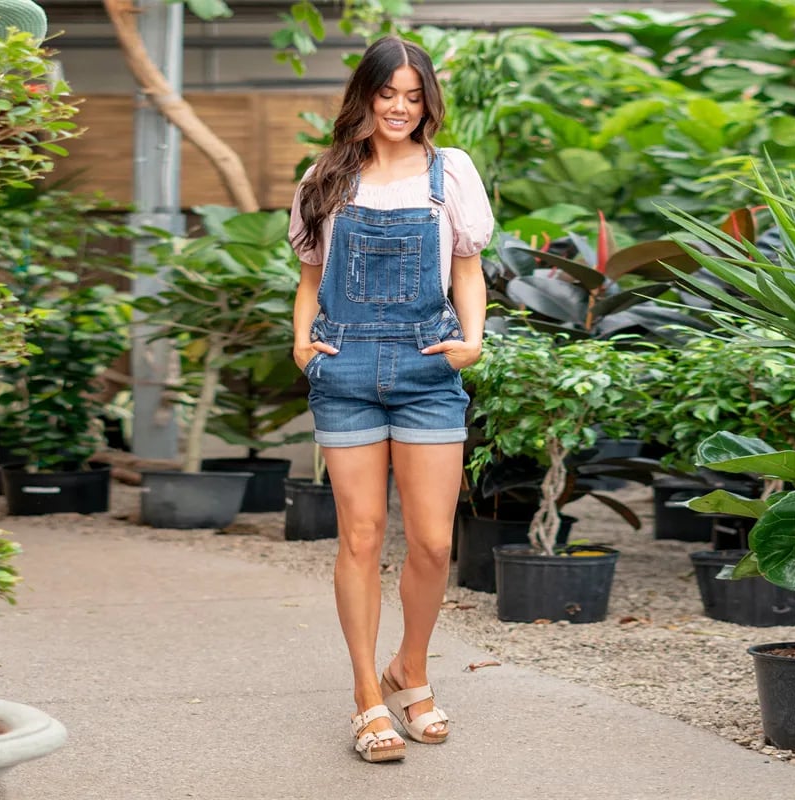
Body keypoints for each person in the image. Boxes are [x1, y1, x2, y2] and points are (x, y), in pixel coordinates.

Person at [289, 34, 493, 764]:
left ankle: (410, 667)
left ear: (426, 100)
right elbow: (310, 276)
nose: (400, 108)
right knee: (361, 536)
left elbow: (468, 268)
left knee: (435, 543)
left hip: (429, 368)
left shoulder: (451, 173)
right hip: (344, 370)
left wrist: (472, 340)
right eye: (387, 94)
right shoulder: (326, 177)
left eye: (412, 95)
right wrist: (302, 340)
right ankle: (366, 698)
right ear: (365, 96)